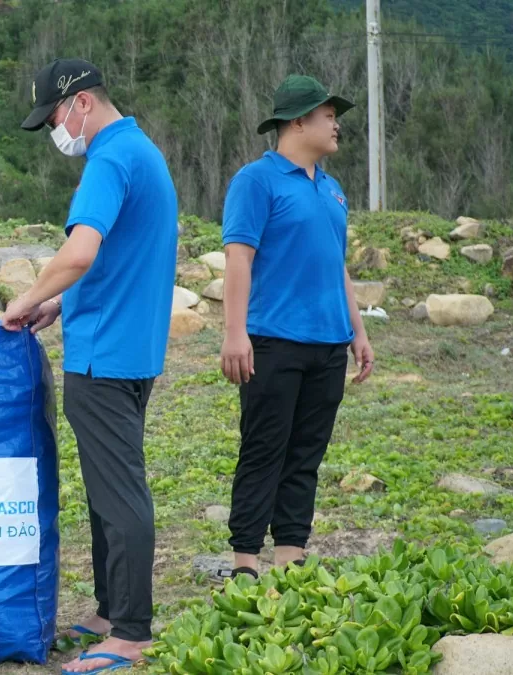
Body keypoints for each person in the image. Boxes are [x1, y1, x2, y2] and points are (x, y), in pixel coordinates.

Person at [2, 59, 179, 672]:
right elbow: (119, 260)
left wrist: (24, 299)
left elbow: (82, 251)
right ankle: (109, 609)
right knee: (109, 489)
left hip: (104, 355)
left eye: (53, 117)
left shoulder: (107, 158)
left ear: (79, 103)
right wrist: (57, 303)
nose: (56, 131)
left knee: (120, 492)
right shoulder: (141, 150)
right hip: (131, 348)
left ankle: (130, 632)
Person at [218, 74, 374, 581]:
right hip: (273, 341)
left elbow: (337, 265)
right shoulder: (255, 180)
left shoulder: (333, 191)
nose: (337, 126)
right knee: (264, 448)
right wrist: (234, 333)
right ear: (298, 121)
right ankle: (245, 560)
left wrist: (358, 331)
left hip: (328, 344)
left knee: (307, 452)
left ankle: (291, 554)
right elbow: (239, 258)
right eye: (329, 116)